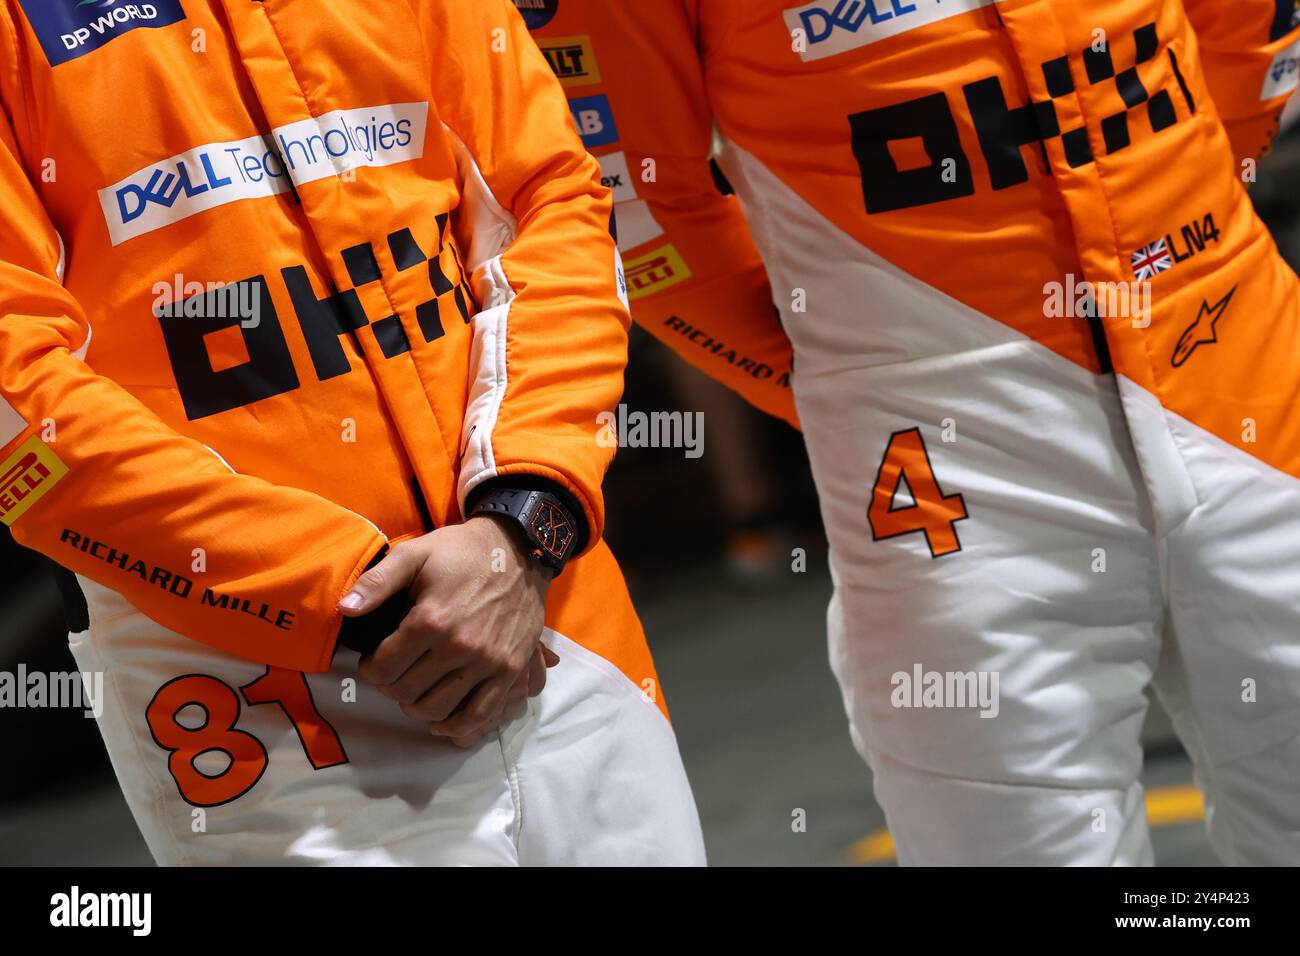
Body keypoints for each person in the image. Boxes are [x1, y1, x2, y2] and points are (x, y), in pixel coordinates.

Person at [525, 0, 1300, 864]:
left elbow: (1245, 25)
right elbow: (636, 206)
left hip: (1251, 382)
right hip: (942, 474)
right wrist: (848, 378)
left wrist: (1194, 233)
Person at [0, 0, 705, 866]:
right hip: (250, 689)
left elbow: (551, 200)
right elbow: (17, 397)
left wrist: (525, 515)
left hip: (547, 616)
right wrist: (361, 606)